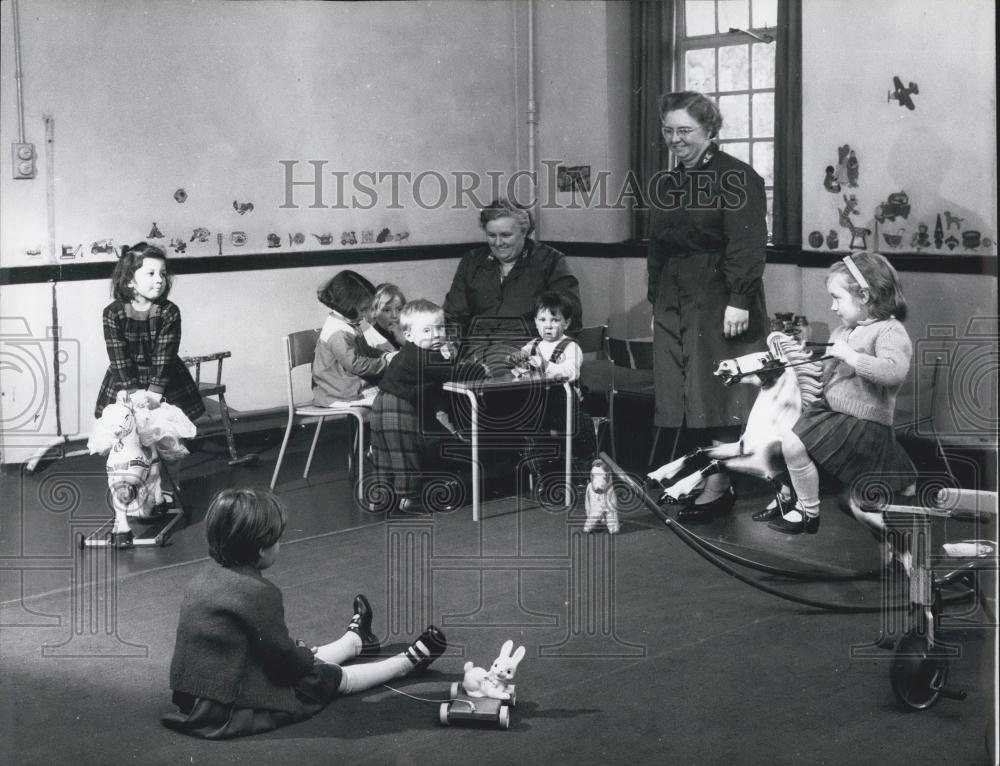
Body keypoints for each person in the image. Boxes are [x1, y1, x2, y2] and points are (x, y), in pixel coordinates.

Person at [162, 487, 447, 739]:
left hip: (193, 696)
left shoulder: (202, 578)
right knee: (326, 678)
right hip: (227, 707)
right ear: (262, 550)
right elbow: (287, 666)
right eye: (277, 539)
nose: (280, 544)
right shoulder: (258, 592)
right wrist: (302, 654)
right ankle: (405, 664)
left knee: (304, 659)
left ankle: (355, 641)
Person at [647, 91, 769, 520]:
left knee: (717, 395)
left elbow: (749, 245)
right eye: (668, 130)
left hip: (720, 298)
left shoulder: (738, 177)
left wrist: (739, 300)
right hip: (673, 300)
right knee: (683, 395)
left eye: (685, 130)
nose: (674, 139)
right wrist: (654, 299)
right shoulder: (666, 182)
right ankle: (697, 474)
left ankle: (720, 484)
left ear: (710, 130)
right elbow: (657, 248)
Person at [769, 253, 915, 535]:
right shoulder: (843, 331)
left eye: (838, 298)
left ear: (864, 296)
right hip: (833, 413)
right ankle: (801, 505)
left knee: (793, 444)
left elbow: (893, 373)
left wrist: (851, 356)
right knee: (786, 443)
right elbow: (828, 373)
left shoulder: (889, 330)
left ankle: (807, 511)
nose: (832, 307)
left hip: (861, 422)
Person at [369, 299, 486, 513]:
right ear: (409, 335)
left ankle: (381, 496)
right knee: (406, 453)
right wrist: (479, 369)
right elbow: (455, 375)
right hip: (398, 407)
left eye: (440, 328)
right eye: (426, 330)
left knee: (385, 453)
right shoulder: (426, 356)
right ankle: (410, 498)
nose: (435, 335)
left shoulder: (411, 352)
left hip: (381, 405)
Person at [443, 198, 582, 349]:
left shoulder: (551, 261)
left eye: (506, 235)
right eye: (491, 235)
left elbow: (570, 320)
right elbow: (453, 316)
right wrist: (452, 344)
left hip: (530, 355)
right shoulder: (471, 261)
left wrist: (545, 354)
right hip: (477, 354)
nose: (497, 243)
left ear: (524, 232)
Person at [95, 242, 204, 421]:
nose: (160, 279)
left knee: (166, 429)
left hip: (162, 378)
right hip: (126, 378)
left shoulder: (169, 311)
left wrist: (155, 392)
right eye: (151, 274)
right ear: (130, 281)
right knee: (127, 427)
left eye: (162, 274)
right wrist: (133, 392)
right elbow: (118, 357)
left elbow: (165, 356)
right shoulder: (113, 313)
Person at [509, 293, 594, 489]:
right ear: (536, 322)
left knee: (580, 431)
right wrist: (517, 362)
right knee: (531, 430)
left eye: (555, 320)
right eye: (542, 320)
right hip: (539, 404)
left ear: (566, 323)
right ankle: (540, 472)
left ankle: (581, 473)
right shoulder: (533, 345)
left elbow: (570, 372)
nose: (548, 325)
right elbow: (520, 367)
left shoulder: (570, 347)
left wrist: (546, 364)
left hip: (565, 404)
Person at [313, 270, 395, 407]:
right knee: (393, 396)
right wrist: (385, 363)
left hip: (345, 383)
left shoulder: (347, 323)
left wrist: (386, 355)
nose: (367, 314)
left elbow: (364, 350)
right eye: (363, 309)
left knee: (393, 390)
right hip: (339, 391)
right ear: (347, 306)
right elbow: (356, 364)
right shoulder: (338, 332)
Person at [363, 283, 407, 352]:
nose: (394, 315)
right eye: (387, 310)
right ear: (373, 312)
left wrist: (405, 343)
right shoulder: (367, 341)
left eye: (399, 309)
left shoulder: (407, 335)